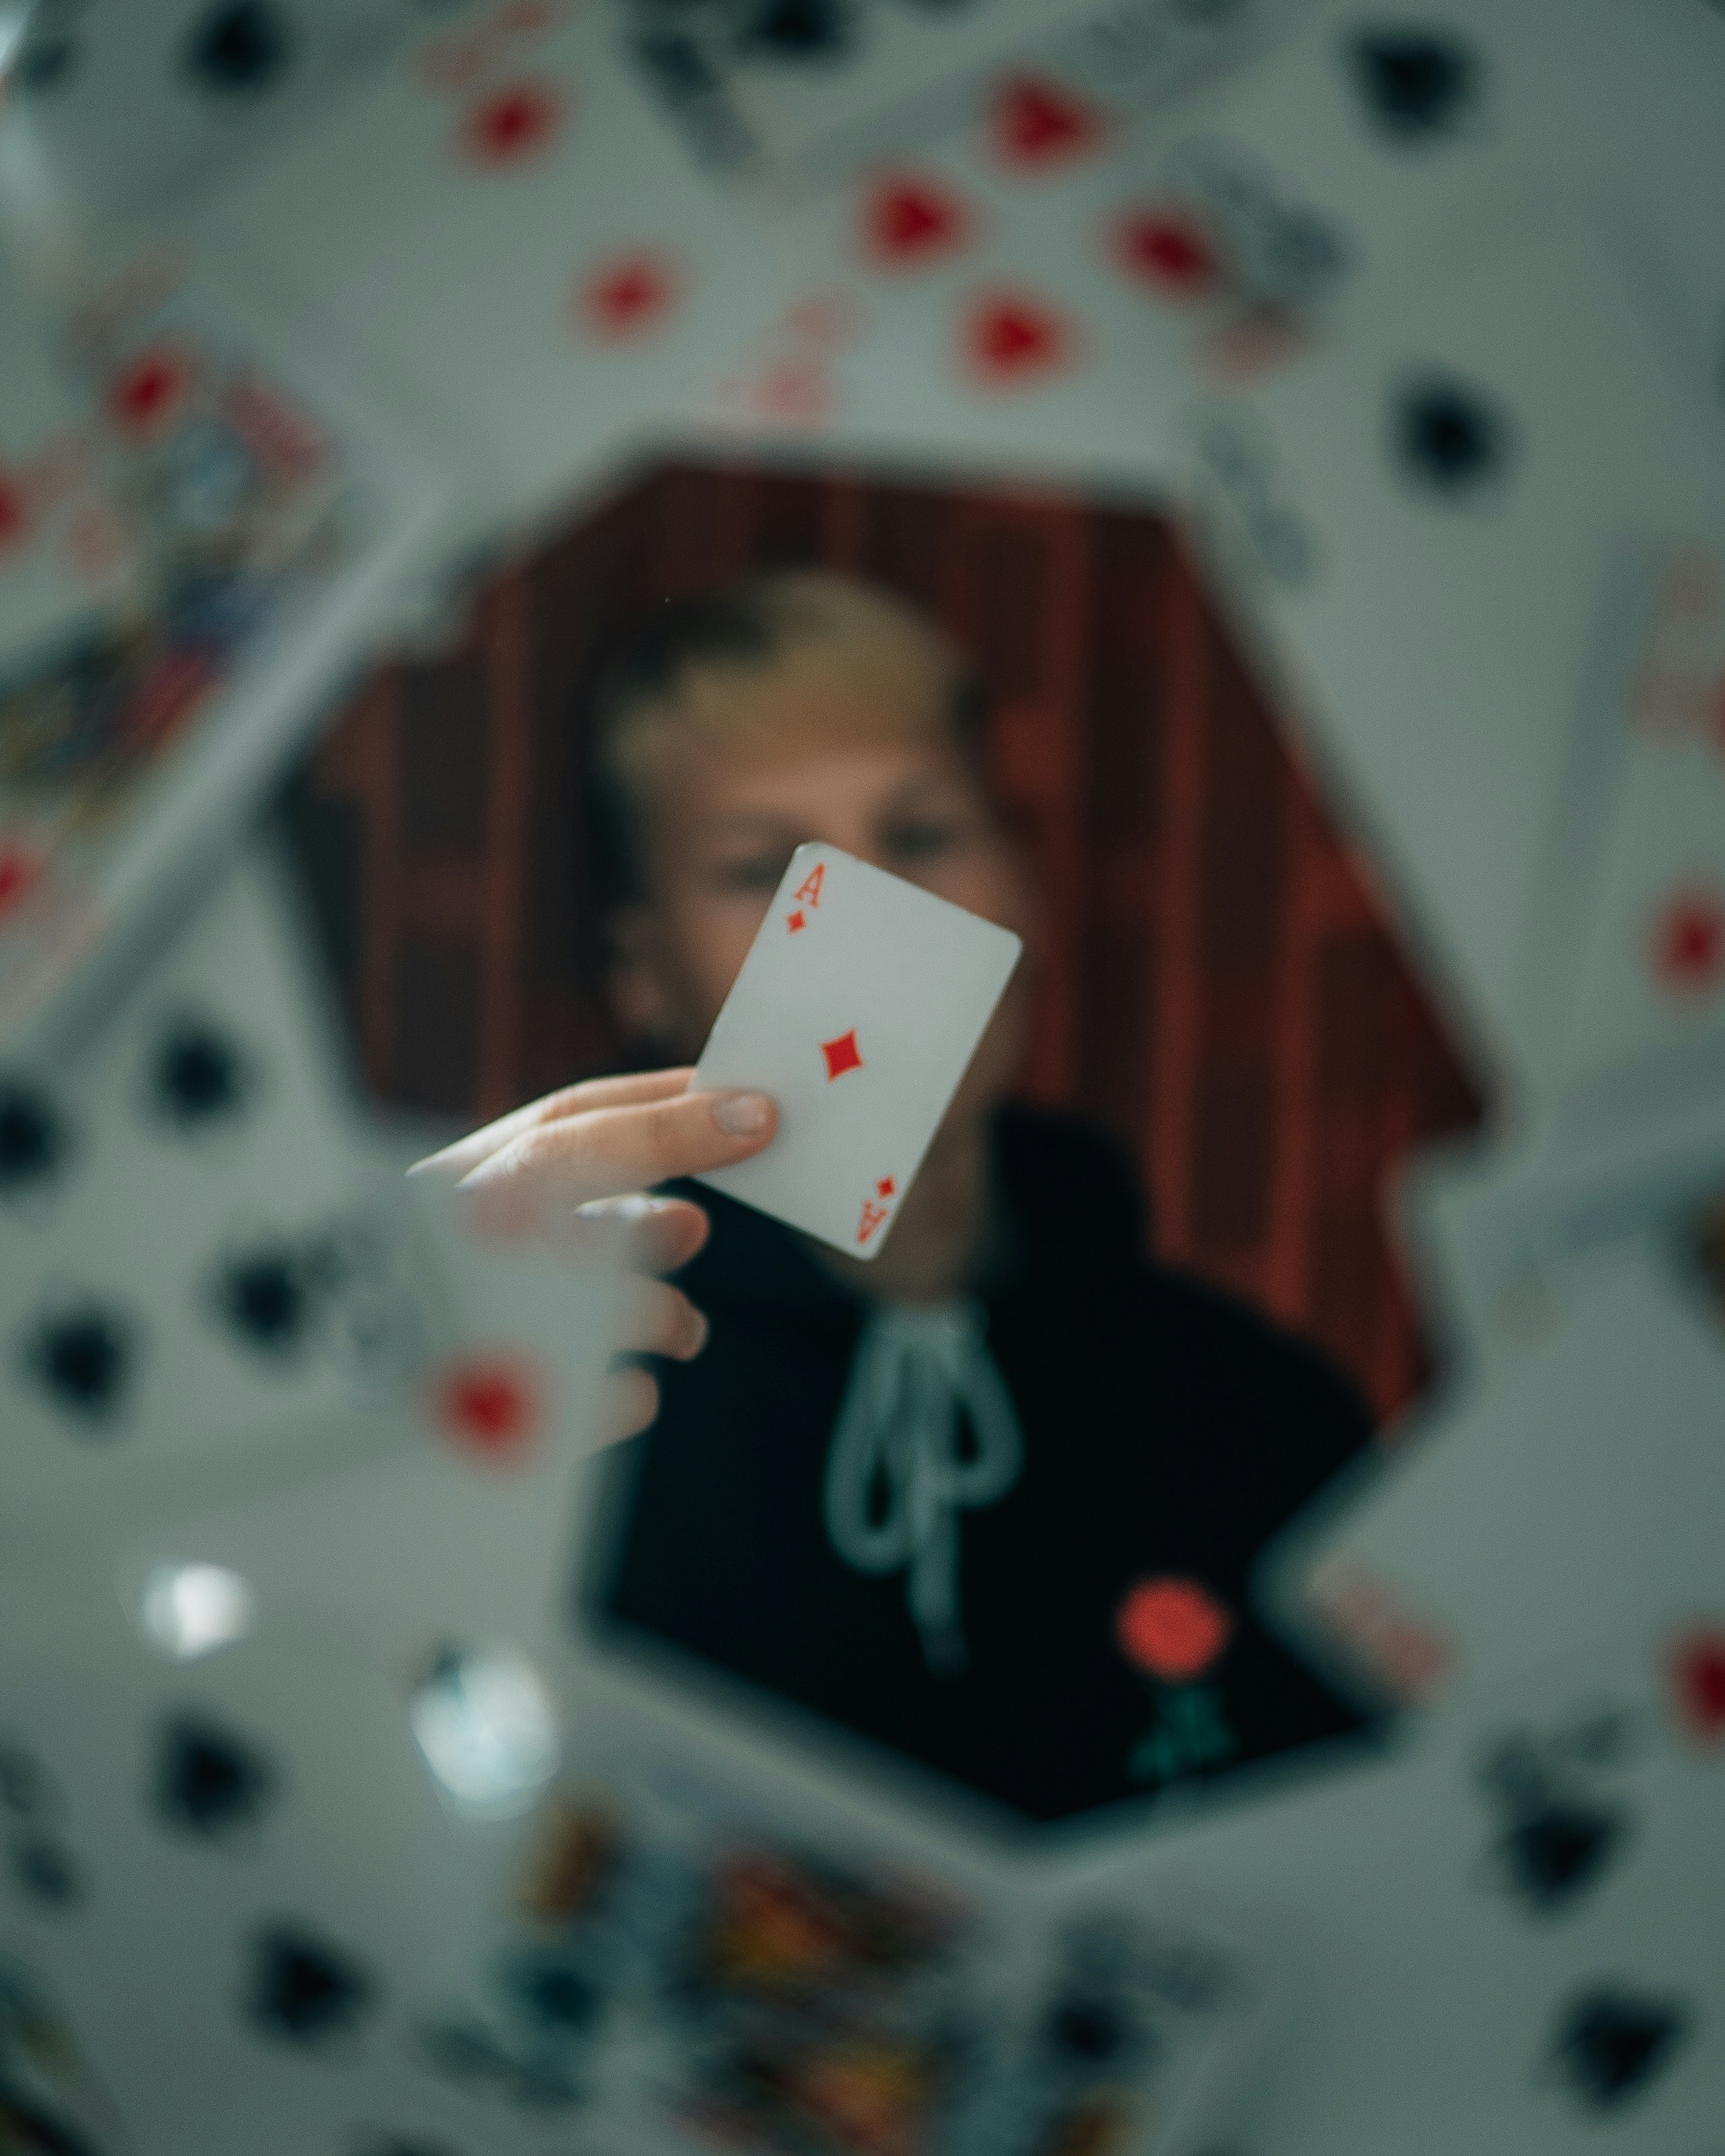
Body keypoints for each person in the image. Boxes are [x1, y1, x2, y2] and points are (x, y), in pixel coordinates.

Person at [433, 570, 1379, 1826]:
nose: (874, 922)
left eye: (923, 835)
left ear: (1022, 897)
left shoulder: (1263, 1414)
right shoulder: (560, 1408)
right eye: (764, 869)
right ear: (646, 973)